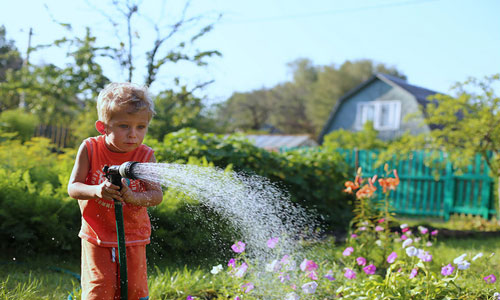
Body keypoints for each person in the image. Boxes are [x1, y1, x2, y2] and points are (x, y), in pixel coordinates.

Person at [68, 82, 163, 300]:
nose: (133, 135)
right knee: (99, 290)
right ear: (103, 127)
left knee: (133, 292)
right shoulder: (90, 148)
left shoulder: (145, 156)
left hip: (133, 237)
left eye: (141, 127)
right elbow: (73, 188)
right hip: (97, 236)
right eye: (124, 126)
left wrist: (133, 197)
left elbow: (156, 196)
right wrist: (97, 191)